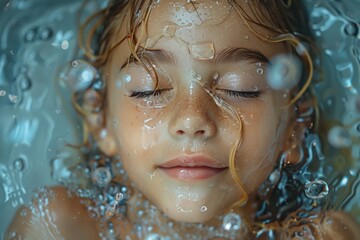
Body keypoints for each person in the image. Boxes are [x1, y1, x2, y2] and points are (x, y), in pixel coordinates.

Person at [5, 0, 360, 239]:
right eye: (148, 88)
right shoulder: (61, 226)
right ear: (101, 119)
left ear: (294, 129)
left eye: (242, 88)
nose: (191, 119)